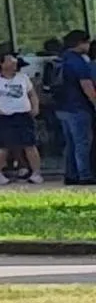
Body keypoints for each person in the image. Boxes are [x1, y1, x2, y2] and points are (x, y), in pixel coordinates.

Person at [0, 46, 42, 185]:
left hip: (24, 115)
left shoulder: (22, 78)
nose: (14, 63)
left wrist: (35, 107)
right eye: (10, 60)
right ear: (1, 63)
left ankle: (36, 173)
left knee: (30, 144)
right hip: (5, 116)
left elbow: (32, 94)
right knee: (2, 145)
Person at [52, 29, 96, 189]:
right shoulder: (79, 62)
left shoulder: (61, 59)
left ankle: (71, 174)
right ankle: (85, 175)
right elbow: (87, 87)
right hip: (79, 107)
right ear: (80, 43)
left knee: (70, 143)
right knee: (83, 143)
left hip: (62, 107)